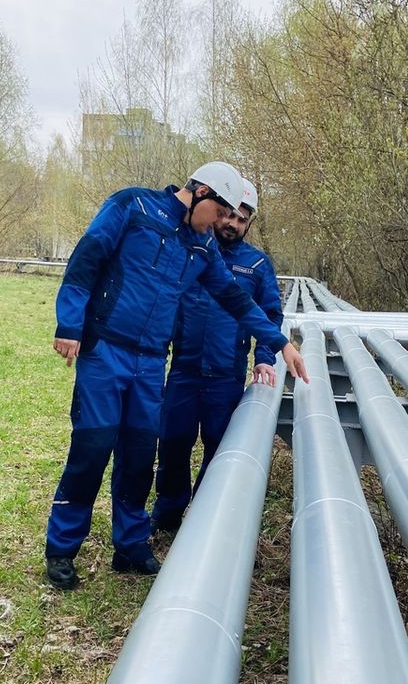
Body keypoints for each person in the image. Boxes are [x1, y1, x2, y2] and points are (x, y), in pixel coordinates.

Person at [45, 162, 309, 590]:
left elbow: (236, 301)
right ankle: (61, 547)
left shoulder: (201, 249)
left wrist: (279, 344)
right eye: (222, 212)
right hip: (106, 347)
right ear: (201, 192)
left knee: (138, 452)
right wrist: (69, 323)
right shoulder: (134, 207)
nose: (225, 223)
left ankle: (130, 546)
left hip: (151, 361)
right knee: (93, 446)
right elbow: (86, 259)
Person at [151, 179, 281, 532]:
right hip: (184, 369)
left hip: (226, 375)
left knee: (219, 449)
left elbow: (269, 313)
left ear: (248, 223)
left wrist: (265, 356)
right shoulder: (193, 249)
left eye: (242, 220)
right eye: (229, 216)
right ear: (220, 211)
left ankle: (205, 519)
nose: (232, 224)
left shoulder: (256, 264)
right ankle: (168, 514)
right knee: (173, 443)